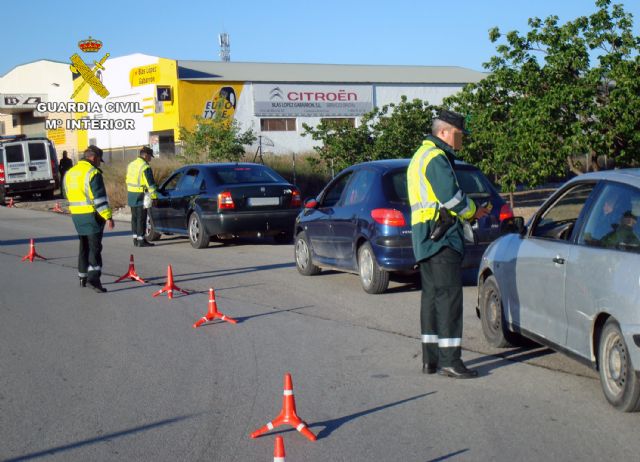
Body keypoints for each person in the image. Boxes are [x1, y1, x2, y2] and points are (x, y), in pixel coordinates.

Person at [407, 109, 489, 379]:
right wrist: (473, 211)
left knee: (432, 298)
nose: (461, 139)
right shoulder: (436, 158)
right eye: (458, 134)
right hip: (442, 236)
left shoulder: (420, 156)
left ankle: (431, 359)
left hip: (425, 237)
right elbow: (452, 198)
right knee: (450, 300)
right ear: (444, 132)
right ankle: (450, 361)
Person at [63, 145, 114, 293]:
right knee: (95, 248)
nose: (99, 163)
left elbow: (66, 194)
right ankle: (94, 279)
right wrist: (108, 217)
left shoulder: (70, 173)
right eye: (99, 160)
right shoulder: (93, 173)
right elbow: (100, 199)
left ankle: (82, 277)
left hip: (76, 215)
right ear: (94, 157)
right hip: (92, 216)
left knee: (83, 246)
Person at [126, 146, 158, 247]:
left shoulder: (131, 164)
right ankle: (141, 240)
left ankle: (135, 239)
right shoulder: (145, 167)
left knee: (134, 218)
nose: (150, 159)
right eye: (150, 156)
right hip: (140, 194)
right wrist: (154, 197)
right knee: (141, 218)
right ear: (145, 155)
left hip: (131, 193)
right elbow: (151, 184)